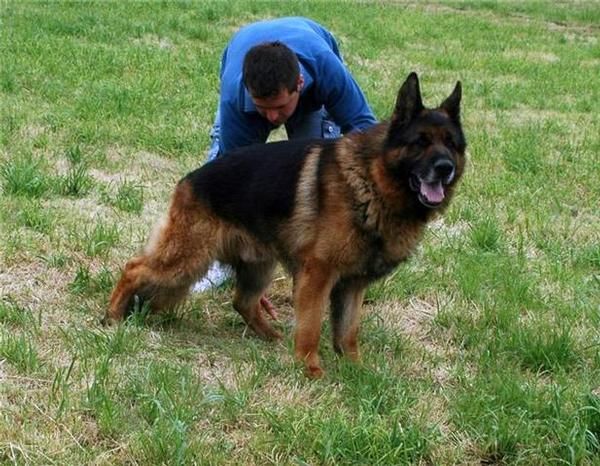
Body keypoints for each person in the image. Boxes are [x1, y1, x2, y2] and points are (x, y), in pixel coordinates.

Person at [193, 16, 377, 299]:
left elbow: (364, 129)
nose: (272, 118)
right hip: (240, 65)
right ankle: (223, 266)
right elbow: (232, 183)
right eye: (263, 108)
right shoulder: (236, 99)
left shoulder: (325, 67)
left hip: (313, 58)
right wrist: (250, 273)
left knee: (323, 178)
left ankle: (326, 260)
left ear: (299, 84)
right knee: (222, 183)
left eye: (279, 107)